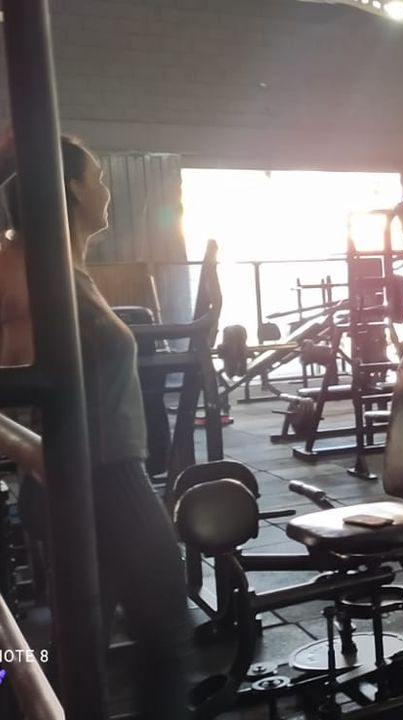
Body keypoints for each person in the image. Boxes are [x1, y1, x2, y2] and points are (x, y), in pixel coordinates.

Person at [0, 134, 193, 719]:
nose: (107, 191)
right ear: (74, 191)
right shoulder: (23, 265)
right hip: (102, 482)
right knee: (164, 632)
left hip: (100, 478)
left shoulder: (63, 270)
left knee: (82, 650)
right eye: (100, 179)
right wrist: (30, 449)